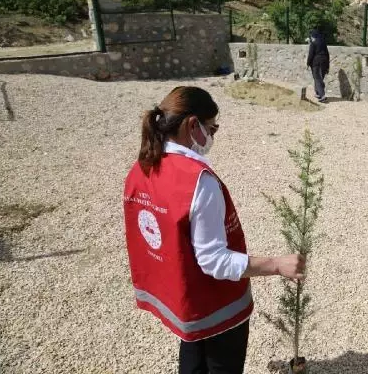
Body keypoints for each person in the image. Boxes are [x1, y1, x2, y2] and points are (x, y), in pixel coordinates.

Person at [123, 86, 306, 374]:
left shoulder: (142, 166)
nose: (212, 137)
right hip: (215, 306)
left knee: (193, 355)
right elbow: (213, 260)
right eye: (213, 128)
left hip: (183, 301)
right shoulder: (199, 181)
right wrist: (277, 264)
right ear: (193, 125)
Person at [306, 28, 330, 103]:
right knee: (320, 78)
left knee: (317, 78)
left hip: (316, 62)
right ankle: (318, 93)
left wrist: (307, 63)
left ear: (313, 36)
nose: (311, 38)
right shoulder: (323, 42)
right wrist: (328, 65)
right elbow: (327, 54)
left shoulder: (313, 43)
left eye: (311, 36)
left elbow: (311, 55)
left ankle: (322, 96)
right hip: (325, 61)